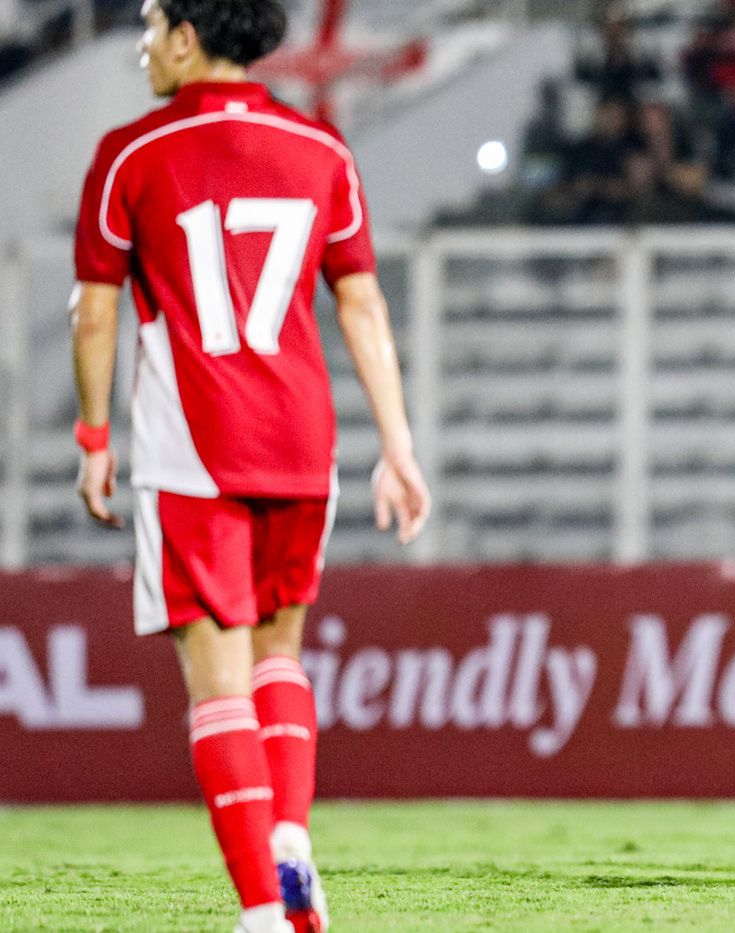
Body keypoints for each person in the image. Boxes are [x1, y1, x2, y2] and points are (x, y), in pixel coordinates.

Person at [69, 1, 431, 930]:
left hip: (195, 443)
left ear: (187, 35)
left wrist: (94, 435)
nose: (143, 46)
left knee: (218, 676)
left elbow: (95, 312)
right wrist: (398, 444)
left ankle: (264, 911)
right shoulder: (321, 149)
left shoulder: (130, 153)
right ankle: (294, 840)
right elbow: (361, 304)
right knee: (281, 651)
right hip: (305, 441)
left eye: (149, 25)